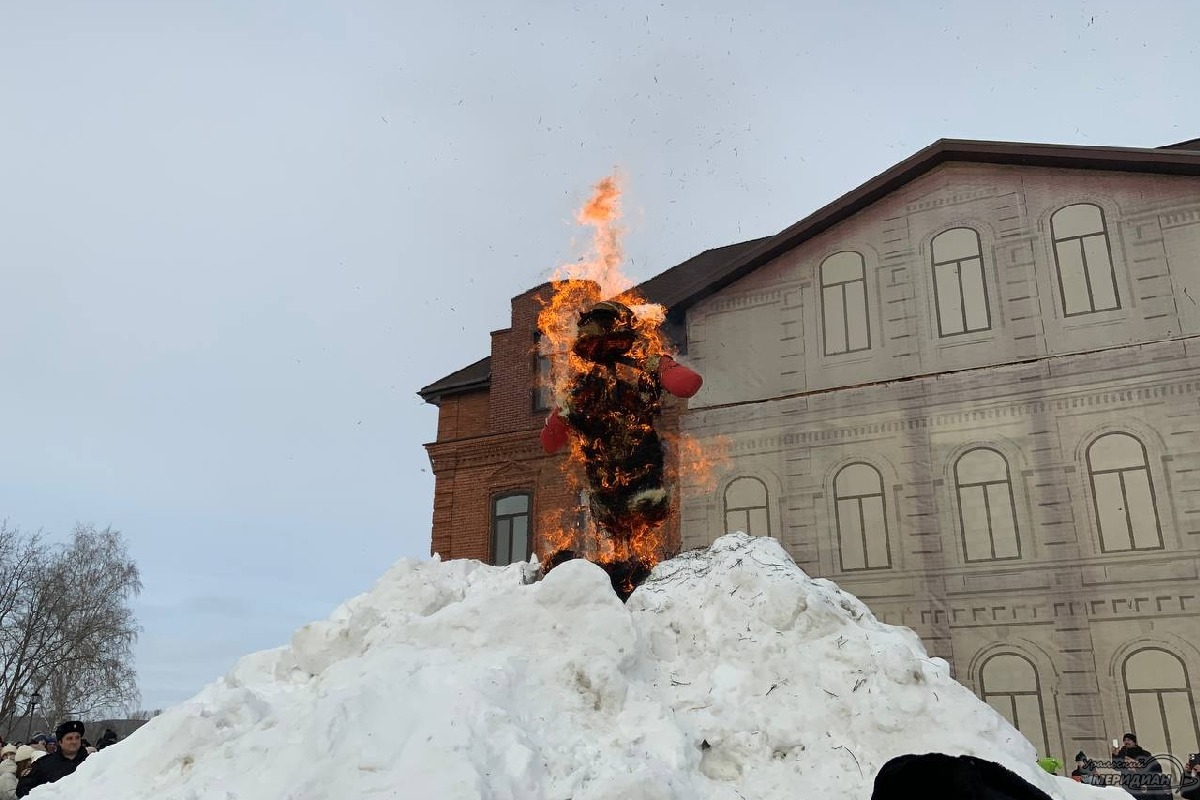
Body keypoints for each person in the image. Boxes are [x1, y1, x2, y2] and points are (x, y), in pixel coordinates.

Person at [15, 721, 88, 797]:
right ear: (60, 742)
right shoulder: (44, 764)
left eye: (77, 738)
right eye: (69, 738)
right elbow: (22, 790)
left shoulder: (90, 762)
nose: (74, 741)